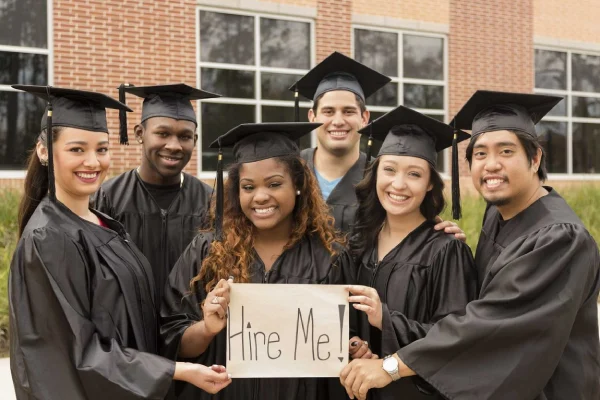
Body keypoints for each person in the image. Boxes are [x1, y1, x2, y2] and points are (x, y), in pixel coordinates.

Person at [340, 90, 600, 400]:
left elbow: (490, 324)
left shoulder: (559, 238)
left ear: (535, 158)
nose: (491, 165)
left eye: (506, 151)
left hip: (549, 388)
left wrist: (391, 367)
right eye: (480, 154)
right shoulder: (499, 213)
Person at [9, 85, 231, 400]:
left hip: (137, 383)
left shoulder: (102, 223)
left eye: (101, 149)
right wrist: (176, 370)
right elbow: (76, 354)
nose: (92, 161)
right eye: (76, 149)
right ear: (44, 151)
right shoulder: (49, 237)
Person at [160, 122, 356, 399]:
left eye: (275, 184)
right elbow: (172, 340)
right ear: (236, 192)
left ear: (298, 184)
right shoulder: (207, 251)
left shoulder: (330, 257)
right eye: (248, 187)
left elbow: (350, 344)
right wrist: (206, 328)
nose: (261, 196)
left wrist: (354, 345)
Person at [343, 105, 477, 400]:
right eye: (389, 169)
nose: (398, 184)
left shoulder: (446, 251)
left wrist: (385, 319)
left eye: (414, 174)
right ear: (375, 173)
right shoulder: (358, 244)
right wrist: (353, 341)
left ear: (430, 183)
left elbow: (457, 339)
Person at [93, 83, 219, 301]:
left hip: (189, 329)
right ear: (140, 133)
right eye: (162, 133)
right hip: (127, 329)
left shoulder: (209, 201)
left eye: (185, 136)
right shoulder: (107, 198)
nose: (174, 145)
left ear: (195, 141)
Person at [290, 51, 390, 234]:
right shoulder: (290, 170)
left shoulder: (383, 177)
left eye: (348, 111)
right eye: (328, 111)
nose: (338, 121)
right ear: (312, 117)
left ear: (365, 118)